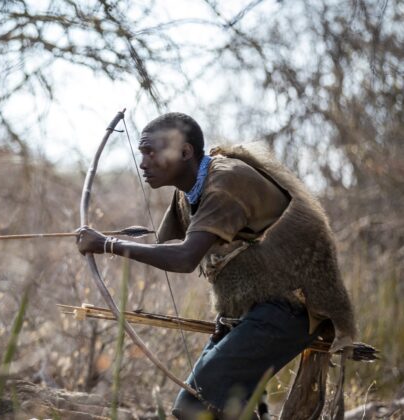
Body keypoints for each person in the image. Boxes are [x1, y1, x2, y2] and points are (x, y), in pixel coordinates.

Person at [75, 112, 355, 419]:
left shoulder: (225, 182)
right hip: (251, 314)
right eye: (142, 153)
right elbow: (172, 245)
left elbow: (184, 258)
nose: (143, 163)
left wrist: (107, 245)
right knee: (233, 409)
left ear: (184, 151)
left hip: (290, 309)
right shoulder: (190, 192)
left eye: (151, 152)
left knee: (196, 406)